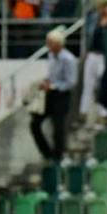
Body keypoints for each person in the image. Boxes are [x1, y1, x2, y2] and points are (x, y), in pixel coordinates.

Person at [31, 28, 77, 161]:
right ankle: (47, 152)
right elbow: (52, 75)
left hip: (61, 95)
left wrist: (53, 86)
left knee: (58, 126)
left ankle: (58, 155)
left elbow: (71, 82)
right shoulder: (51, 56)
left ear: (58, 44)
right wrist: (46, 82)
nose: (48, 46)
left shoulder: (68, 59)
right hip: (49, 95)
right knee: (35, 123)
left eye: (50, 43)